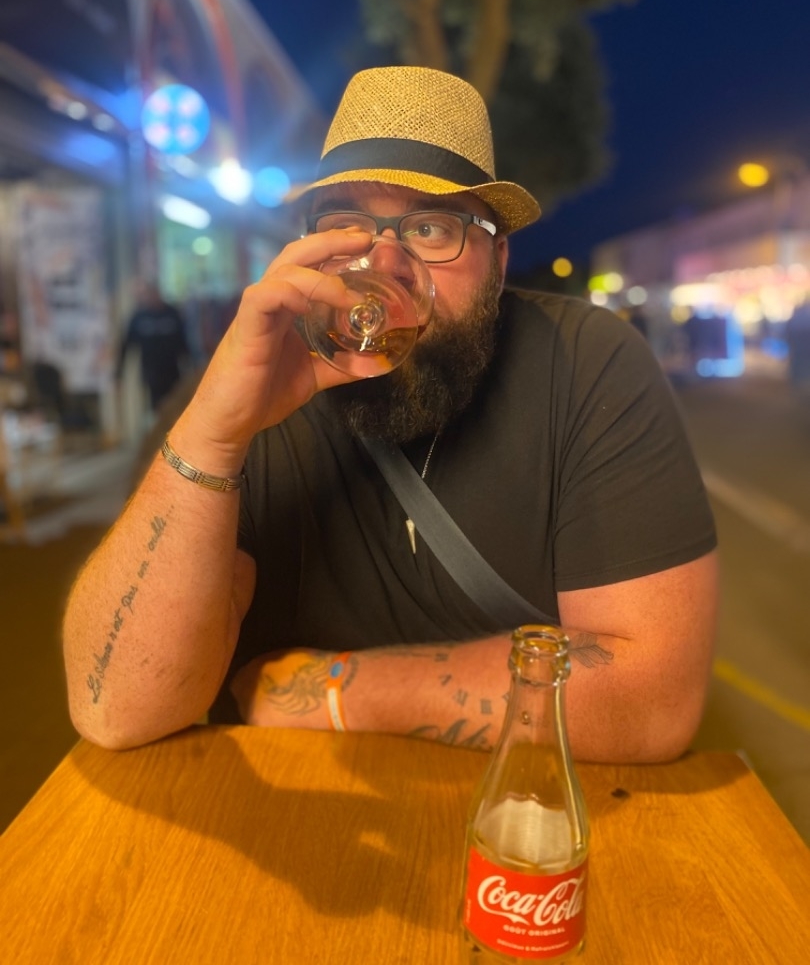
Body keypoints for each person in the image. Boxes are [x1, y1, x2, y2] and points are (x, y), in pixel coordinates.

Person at [63, 66, 718, 761]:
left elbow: (654, 700)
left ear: (497, 260)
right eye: (347, 226)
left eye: (430, 228)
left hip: (522, 805)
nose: (384, 263)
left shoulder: (584, 362)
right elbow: (117, 710)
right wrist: (213, 435)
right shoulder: (248, 389)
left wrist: (336, 693)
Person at [117, 281, 190, 413]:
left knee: (176, 408)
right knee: (155, 409)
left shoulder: (172, 314)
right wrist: (119, 374)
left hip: (172, 372)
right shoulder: (139, 318)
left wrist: (190, 367)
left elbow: (184, 343)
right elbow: (126, 346)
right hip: (151, 374)